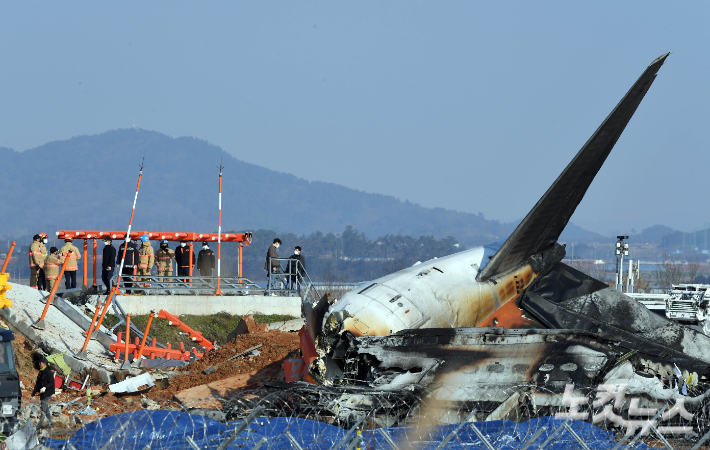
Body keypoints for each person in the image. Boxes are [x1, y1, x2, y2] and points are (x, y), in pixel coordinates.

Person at [32, 356, 55, 429]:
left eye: (40, 363)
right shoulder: (41, 371)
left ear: (44, 363)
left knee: (43, 410)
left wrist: (45, 387)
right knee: (46, 409)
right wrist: (34, 391)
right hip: (42, 392)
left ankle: (39, 426)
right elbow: (38, 383)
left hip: (47, 393)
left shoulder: (48, 372)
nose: (39, 364)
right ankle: (51, 424)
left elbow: (51, 383)